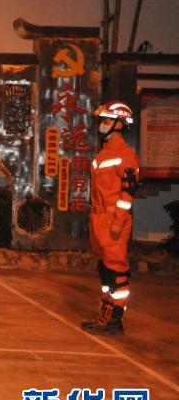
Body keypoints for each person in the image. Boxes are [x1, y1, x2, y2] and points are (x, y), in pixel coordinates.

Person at [81, 101, 140, 335]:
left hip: (113, 220)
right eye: (102, 120)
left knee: (116, 270)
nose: (102, 124)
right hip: (98, 219)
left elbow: (128, 193)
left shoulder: (125, 155)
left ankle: (115, 318)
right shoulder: (103, 155)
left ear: (119, 124)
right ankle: (105, 312)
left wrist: (118, 222)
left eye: (106, 120)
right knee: (105, 270)